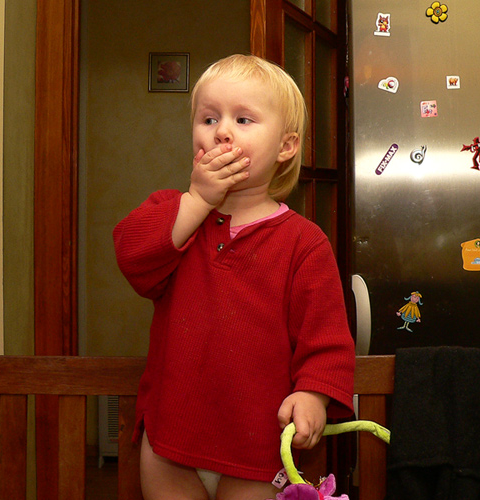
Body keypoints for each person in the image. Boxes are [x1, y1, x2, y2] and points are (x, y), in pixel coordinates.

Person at [113, 54, 355, 500]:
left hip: (260, 447)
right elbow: (132, 256)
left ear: (286, 146)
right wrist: (196, 201)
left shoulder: (305, 243)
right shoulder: (173, 214)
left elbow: (327, 341)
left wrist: (314, 395)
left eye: (243, 119)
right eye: (209, 119)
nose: (221, 131)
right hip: (170, 440)